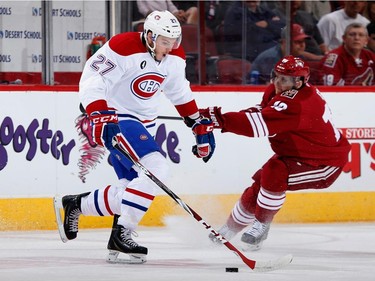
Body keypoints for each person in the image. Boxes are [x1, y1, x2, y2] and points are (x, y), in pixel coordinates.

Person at [54, 10, 216, 263]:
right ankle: (123, 232)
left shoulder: (175, 56)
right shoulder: (123, 46)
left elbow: (178, 91)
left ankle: (76, 204)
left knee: (132, 187)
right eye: (165, 41)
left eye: (174, 41)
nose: (170, 47)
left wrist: (196, 122)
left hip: (146, 124)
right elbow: (94, 79)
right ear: (150, 36)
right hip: (117, 119)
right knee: (156, 169)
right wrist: (100, 113)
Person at [200, 55, 351, 251]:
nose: (278, 83)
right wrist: (217, 119)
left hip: (324, 164)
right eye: (276, 76)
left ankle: (261, 226)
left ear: (300, 82)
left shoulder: (298, 103)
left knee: (274, 170)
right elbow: (262, 112)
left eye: (284, 79)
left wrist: (218, 119)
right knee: (259, 186)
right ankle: (229, 230)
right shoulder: (279, 91)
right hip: (297, 155)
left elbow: (258, 126)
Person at [250, 24, 317, 84]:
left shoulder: (299, 57)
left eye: (303, 41)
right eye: (298, 42)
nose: (302, 45)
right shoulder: (271, 58)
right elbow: (271, 86)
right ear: (285, 42)